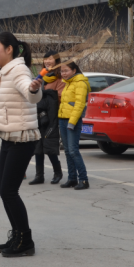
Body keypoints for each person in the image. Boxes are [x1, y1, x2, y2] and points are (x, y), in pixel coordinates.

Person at [0, 32, 43, 257]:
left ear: (9, 49)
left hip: (21, 138)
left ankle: (25, 241)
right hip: (9, 137)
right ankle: (17, 236)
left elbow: (30, 93)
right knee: (5, 191)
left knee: (9, 191)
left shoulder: (19, 70)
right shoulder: (5, 71)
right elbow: (0, 95)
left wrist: (34, 89)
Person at [28, 51, 63, 185]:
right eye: (46, 59)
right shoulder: (41, 76)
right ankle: (39, 175)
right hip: (38, 115)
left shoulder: (59, 77)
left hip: (51, 117)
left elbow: (58, 97)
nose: (47, 61)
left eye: (50, 59)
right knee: (38, 147)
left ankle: (57, 172)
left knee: (49, 146)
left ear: (56, 61)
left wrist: (44, 94)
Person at [57, 61, 90, 190]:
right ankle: (72, 178)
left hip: (72, 121)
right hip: (63, 119)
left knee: (73, 151)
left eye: (66, 71)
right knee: (67, 151)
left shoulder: (80, 83)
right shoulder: (68, 83)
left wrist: (72, 122)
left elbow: (79, 104)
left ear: (74, 70)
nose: (63, 73)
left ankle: (83, 180)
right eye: (62, 71)